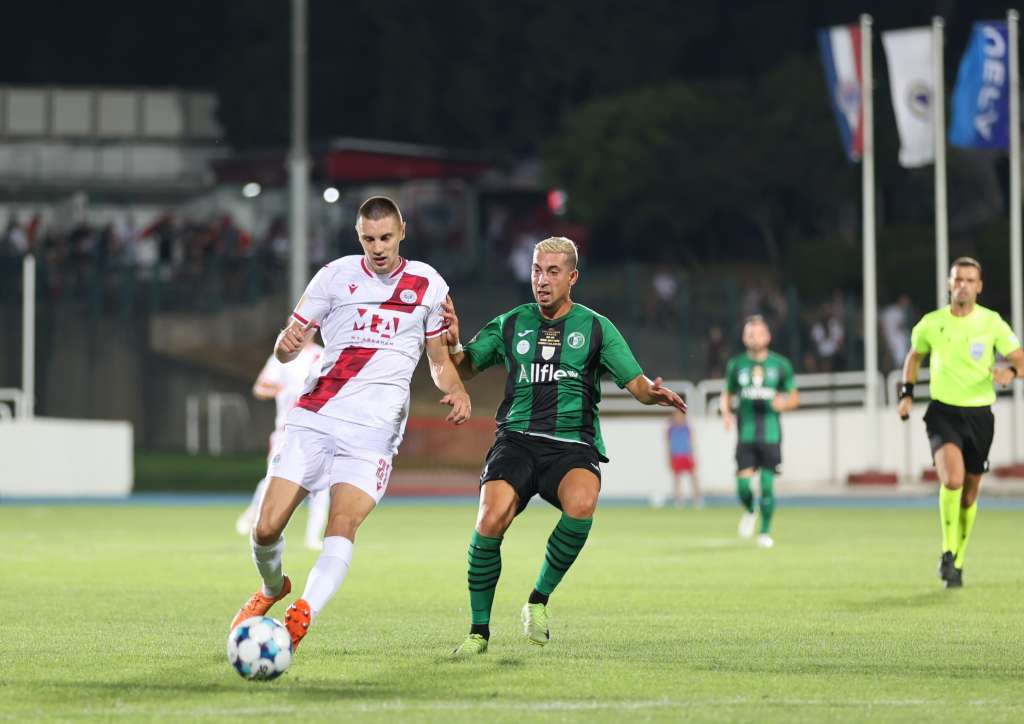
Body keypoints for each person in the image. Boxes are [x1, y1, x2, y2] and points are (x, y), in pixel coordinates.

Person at [229, 196, 472, 654]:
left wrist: (457, 389)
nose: (377, 248)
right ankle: (271, 588)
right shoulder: (333, 276)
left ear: (402, 232)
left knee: (341, 524)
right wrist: (285, 346)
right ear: (358, 236)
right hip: (316, 417)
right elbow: (288, 348)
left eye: (385, 237)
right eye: (368, 239)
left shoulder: (429, 284)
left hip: (374, 434)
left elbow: (439, 360)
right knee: (265, 528)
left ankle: (303, 613)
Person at [442, 236, 687, 656]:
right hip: (517, 439)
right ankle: (478, 632)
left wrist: (653, 394)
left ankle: (538, 600)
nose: (542, 280)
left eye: (553, 272)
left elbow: (637, 384)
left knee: (583, 502)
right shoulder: (511, 323)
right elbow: (465, 367)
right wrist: (453, 343)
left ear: (572, 277)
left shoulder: (596, 327)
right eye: (537, 270)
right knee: (490, 517)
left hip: (573, 443)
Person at [897, 257, 1024, 588]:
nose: (963, 285)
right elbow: (914, 356)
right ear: (949, 284)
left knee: (969, 495)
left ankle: (959, 559)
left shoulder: (992, 323)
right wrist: (906, 393)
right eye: (958, 279)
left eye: (969, 280)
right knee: (952, 480)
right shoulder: (931, 323)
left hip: (980, 415)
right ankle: (947, 551)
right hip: (943, 413)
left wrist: (1010, 372)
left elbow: (1020, 360)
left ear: (979, 286)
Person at [234, 335, 329, 552]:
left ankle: (313, 537)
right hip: (284, 432)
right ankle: (253, 513)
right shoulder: (283, 356)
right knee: (273, 479)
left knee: (322, 484)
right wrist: (278, 390)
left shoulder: (322, 356)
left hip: (315, 432)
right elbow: (260, 388)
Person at [720, 316, 799, 549]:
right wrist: (726, 413)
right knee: (743, 487)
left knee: (766, 485)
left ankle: (765, 532)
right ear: (744, 338)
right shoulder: (736, 365)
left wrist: (784, 404)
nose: (754, 338)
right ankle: (750, 509)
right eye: (750, 334)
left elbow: (794, 397)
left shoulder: (780, 365)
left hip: (771, 434)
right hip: (746, 434)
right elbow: (727, 393)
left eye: (758, 333)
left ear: (768, 337)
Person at [666, 408, 701, 508]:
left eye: (681, 415)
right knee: (677, 479)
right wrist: (669, 458)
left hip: (686, 455)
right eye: (677, 415)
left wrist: (693, 456)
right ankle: (678, 500)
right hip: (676, 456)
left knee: (693, 478)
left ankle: (697, 499)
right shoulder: (671, 429)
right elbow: (668, 445)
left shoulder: (687, 428)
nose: (679, 417)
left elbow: (691, 443)